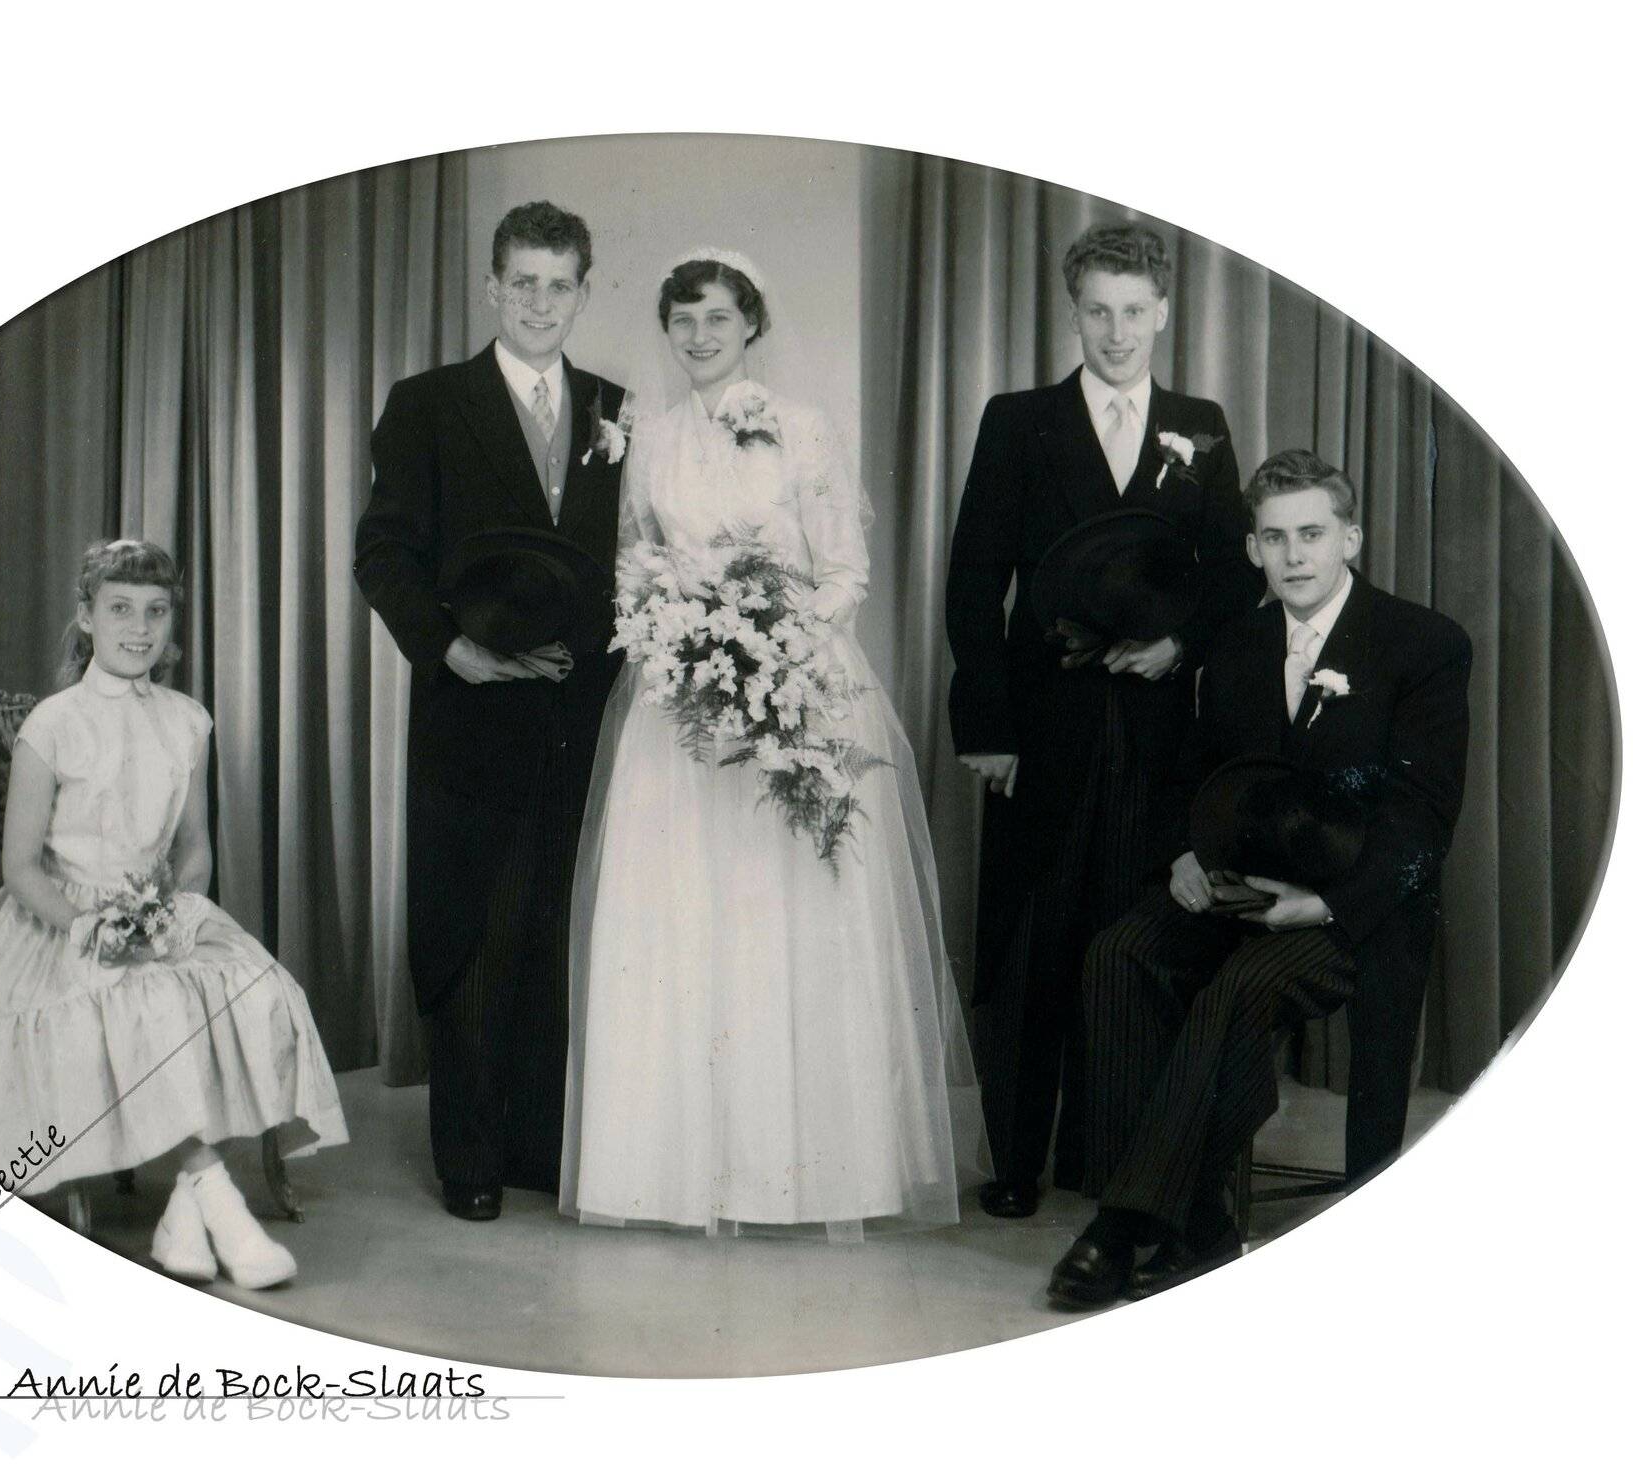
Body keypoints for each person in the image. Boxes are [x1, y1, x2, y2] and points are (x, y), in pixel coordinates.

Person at [559, 249, 978, 1237]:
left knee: (783, 918)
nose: (699, 335)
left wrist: (776, 651)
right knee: (677, 919)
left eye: (718, 317)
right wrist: (678, 645)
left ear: (752, 323)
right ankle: (671, 1176)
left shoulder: (802, 429)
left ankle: (811, 1178)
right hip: (678, 706)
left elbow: (845, 570)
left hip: (795, 692)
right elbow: (634, 562)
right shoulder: (652, 437)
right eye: (682, 320)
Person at [1048, 450, 1472, 1308]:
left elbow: (1423, 817)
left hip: (1355, 904)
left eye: (1312, 533)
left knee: (1240, 987)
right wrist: (1184, 855)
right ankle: (1201, 1221)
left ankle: (1125, 1224)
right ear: (1252, 550)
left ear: (1351, 538)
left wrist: (1324, 903)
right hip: (1242, 886)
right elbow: (1193, 774)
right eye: (1275, 538)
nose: (1294, 555)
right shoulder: (1237, 642)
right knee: (1120, 952)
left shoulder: (1422, 642)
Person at [0, 538, 347, 1289]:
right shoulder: (53, 725)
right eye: (120, 610)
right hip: (55, 918)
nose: (139, 629)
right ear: (86, 617)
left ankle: (183, 1218)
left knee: (256, 988)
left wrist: (172, 915)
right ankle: (217, 1200)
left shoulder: (187, 720)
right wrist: (91, 928)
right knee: (143, 1003)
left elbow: (194, 850)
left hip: (155, 909)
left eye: (155, 611)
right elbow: (19, 870)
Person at [945, 222, 1260, 1219]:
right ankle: (1015, 1158)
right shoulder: (1019, 419)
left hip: (1158, 728)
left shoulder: (1200, 425)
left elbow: (1231, 576)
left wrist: (1179, 647)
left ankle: (1102, 1152)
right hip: (1042, 723)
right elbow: (972, 578)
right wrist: (986, 724)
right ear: (1073, 312)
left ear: (1162, 313)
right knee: (1031, 936)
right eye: (1097, 311)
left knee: (1125, 932)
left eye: (1133, 312)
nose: (1117, 333)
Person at [355, 201, 626, 1222]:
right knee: (471, 927)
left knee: (556, 926)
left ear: (583, 293)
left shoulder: (616, 408)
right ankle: (469, 1157)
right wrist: (449, 649)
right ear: (492, 289)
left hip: (581, 710)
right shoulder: (428, 403)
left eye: (559, 285)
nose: (540, 303)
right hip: (470, 706)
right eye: (523, 283)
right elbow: (383, 550)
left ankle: (535, 1147)